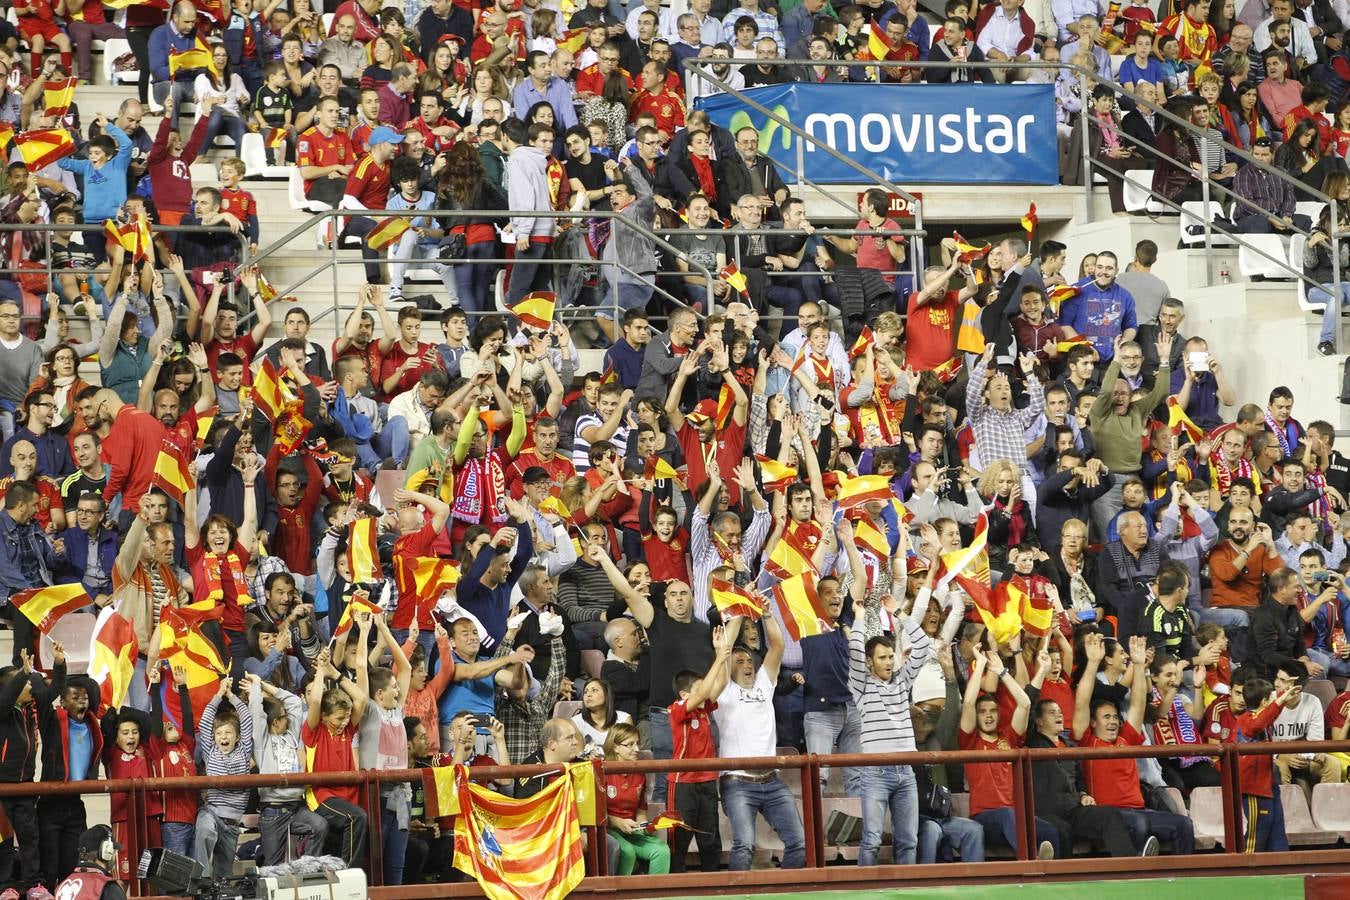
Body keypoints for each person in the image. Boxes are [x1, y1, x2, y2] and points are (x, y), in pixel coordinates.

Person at [849, 560, 933, 867]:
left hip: (906, 771)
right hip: (875, 773)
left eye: (890, 656)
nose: (888, 662)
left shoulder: (902, 680)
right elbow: (856, 653)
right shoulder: (861, 685)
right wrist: (859, 618)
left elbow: (922, 646)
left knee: (908, 840)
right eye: (882, 658)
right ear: (871, 663)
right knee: (871, 840)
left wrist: (898, 613)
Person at [53, 826, 127, 900]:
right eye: (113, 850)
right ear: (107, 851)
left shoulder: (61, 886)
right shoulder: (109, 888)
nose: (114, 855)